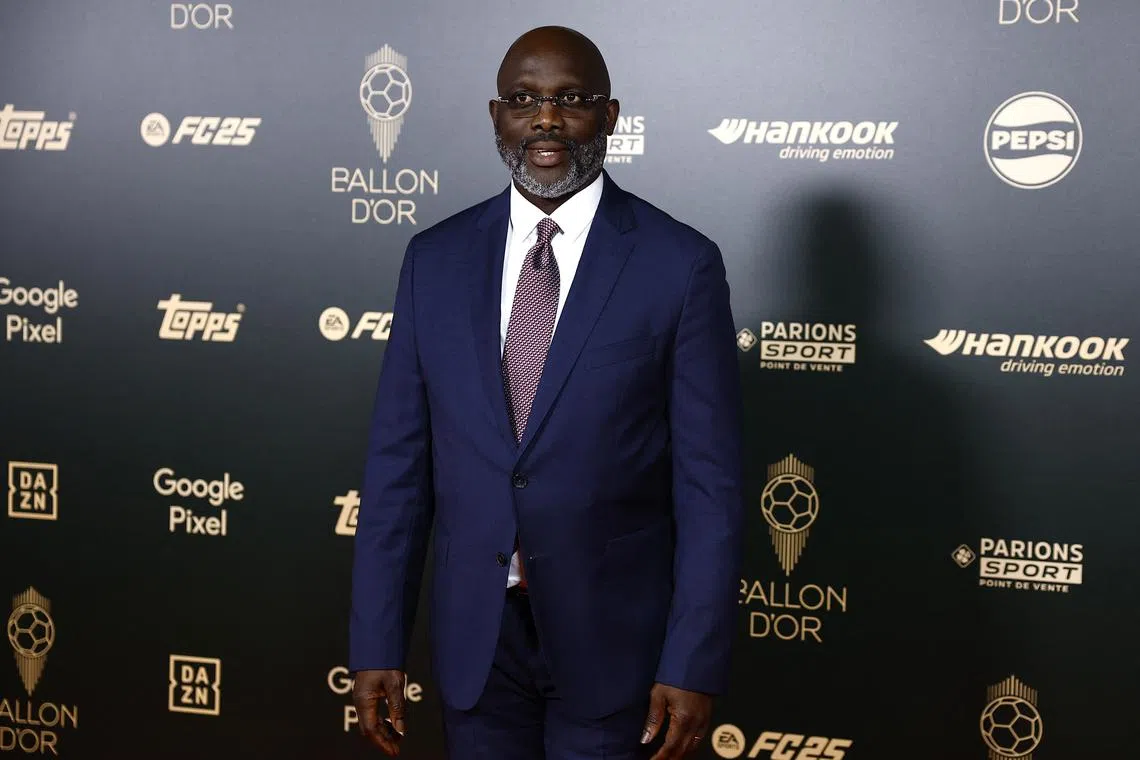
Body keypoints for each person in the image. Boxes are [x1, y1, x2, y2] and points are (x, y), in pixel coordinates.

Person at [349, 25, 744, 760]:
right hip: (478, 641)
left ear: (612, 116)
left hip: (614, 642)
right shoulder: (431, 261)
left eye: (572, 100)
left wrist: (693, 660)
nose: (547, 119)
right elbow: (397, 473)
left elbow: (710, 487)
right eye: (525, 100)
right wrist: (377, 639)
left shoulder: (678, 265)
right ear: (496, 116)